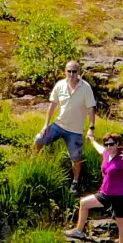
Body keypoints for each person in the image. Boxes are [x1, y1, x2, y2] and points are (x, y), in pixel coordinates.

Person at [35, 60, 96, 191]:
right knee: (38, 140)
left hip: (75, 130)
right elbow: (52, 106)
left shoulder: (86, 88)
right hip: (59, 125)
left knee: (76, 158)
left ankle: (75, 181)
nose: (72, 74)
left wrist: (91, 128)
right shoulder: (60, 85)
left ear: (78, 72)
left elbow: (91, 108)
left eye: (74, 71)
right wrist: (45, 125)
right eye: (69, 71)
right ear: (65, 72)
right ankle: (35, 162)